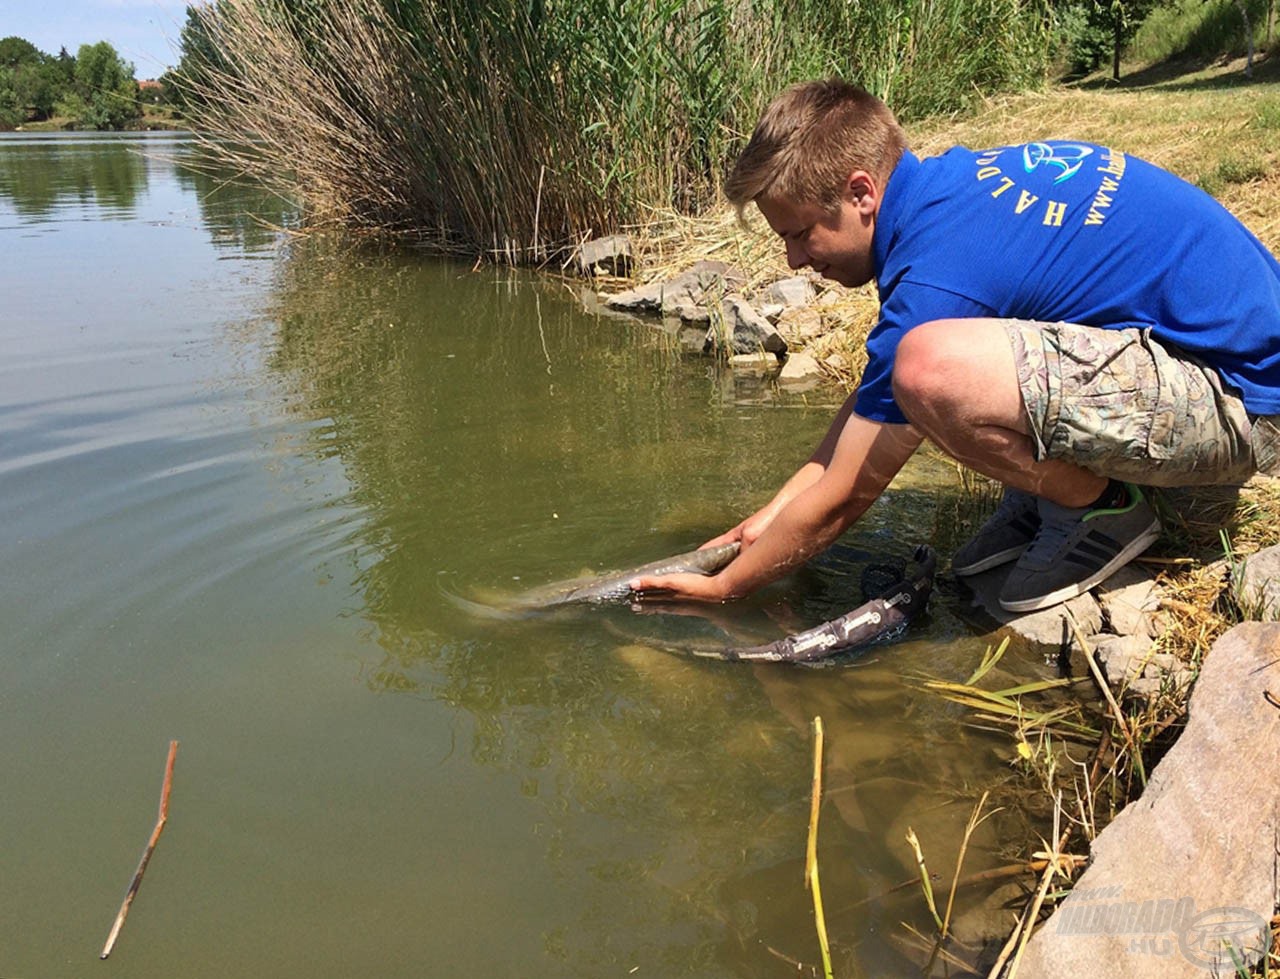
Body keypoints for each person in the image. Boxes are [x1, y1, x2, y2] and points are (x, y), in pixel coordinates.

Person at [630, 79, 1280, 613]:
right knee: (915, 371)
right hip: (1210, 361)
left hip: (1241, 404)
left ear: (860, 193)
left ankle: (1100, 510)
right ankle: (1047, 496)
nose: (795, 259)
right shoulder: (942, 194)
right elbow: (868, 407)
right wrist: (767, 517)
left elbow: (850, 491)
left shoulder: (938, 273)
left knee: (930, 371)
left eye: (800, 233)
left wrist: (724, 588)